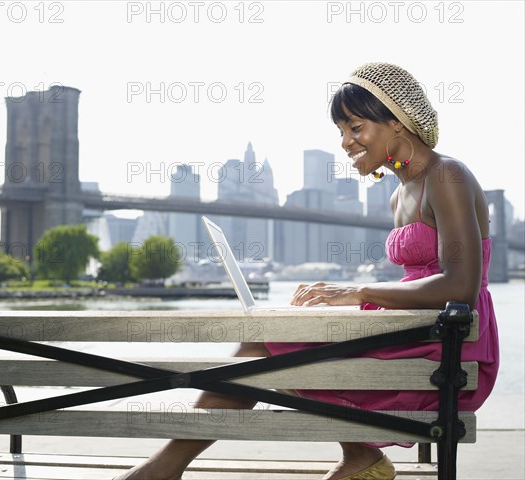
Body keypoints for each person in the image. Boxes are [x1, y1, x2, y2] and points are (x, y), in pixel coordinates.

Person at [113, 62, 500, 480]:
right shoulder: (399, 195)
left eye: (355, 127)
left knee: (266, 348)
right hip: (414, 328)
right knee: (276, 341)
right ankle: (358, 456)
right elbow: (418, 279)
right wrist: (351, 300)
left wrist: (358, 293)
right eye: (341, 131)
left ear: (396, 122)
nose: (346, 142)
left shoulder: (448, 176)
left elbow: (461, 284)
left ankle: (164, 469)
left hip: (447, 343)